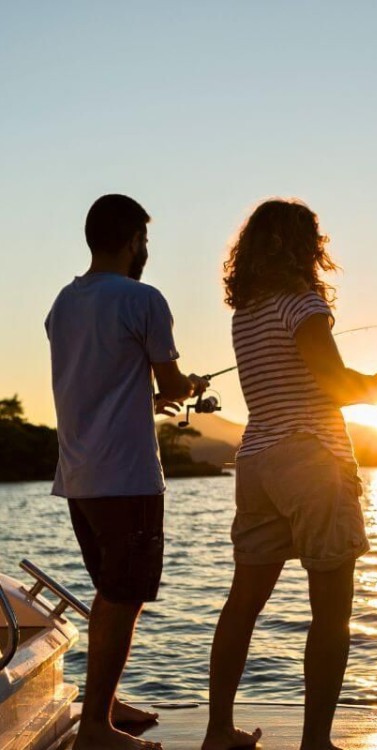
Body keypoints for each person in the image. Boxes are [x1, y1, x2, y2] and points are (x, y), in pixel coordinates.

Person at [202, 199, 377, 750]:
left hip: (258, 462)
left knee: (243, 601)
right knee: (332, 614)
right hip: (312, 459)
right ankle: (315, 743)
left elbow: (305, 378)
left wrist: (371, 382)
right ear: (305, 246)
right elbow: (333, 382)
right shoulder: (302, 304)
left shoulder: (246, 315)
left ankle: (218, 731)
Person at [45, 194, 208, 750]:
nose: (146, 248)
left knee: (108, 593)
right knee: (123, 597)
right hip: (128, 478)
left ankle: (104, 704)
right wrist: (185, 390)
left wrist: (149, 396)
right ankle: (95, 728)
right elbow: (173, 381)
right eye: (143, 238)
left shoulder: (63, 304)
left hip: (79, 478)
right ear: (131, 238)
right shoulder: (143, 299)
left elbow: (101, 380)